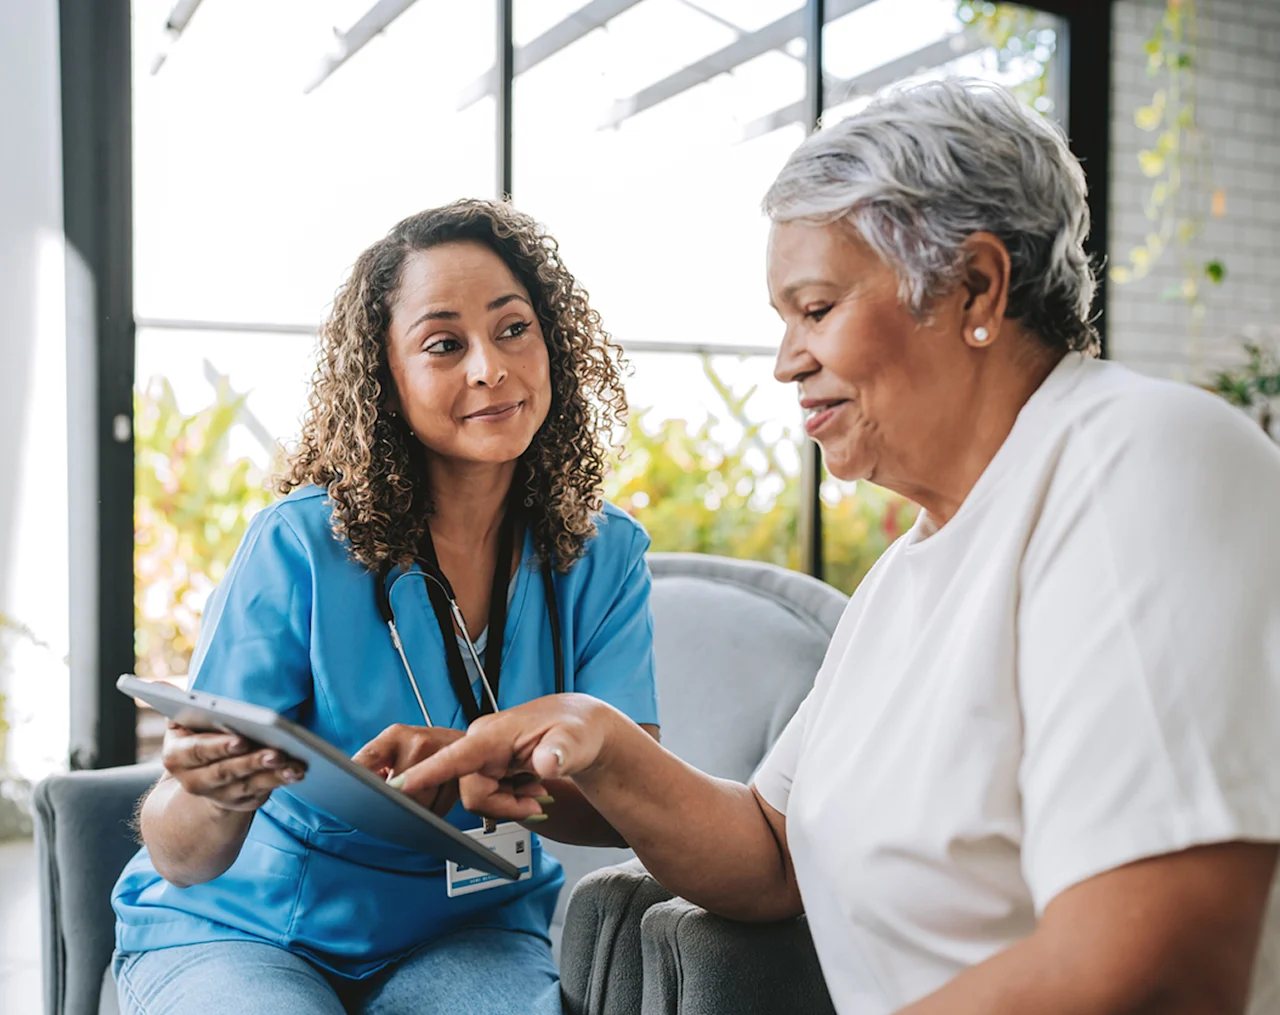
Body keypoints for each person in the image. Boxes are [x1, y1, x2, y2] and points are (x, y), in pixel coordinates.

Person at [397, 80, 1280, 1014]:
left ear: (977, 287)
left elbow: (1156, 968)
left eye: (815, 309)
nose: (787, 360)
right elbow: (773, 852)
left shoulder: (1138, 461)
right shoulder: (910, 573)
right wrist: (595, 738)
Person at [112, 200, 661, 1015]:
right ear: (385, 378)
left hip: (471, 924)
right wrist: (209, 792)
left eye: (513, 329)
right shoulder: (299, 544)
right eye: (444, 344)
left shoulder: (602, 553)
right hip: (248, 924)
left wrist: (493, 763)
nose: (491, 367)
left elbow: (633, 802)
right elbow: (183, 854)